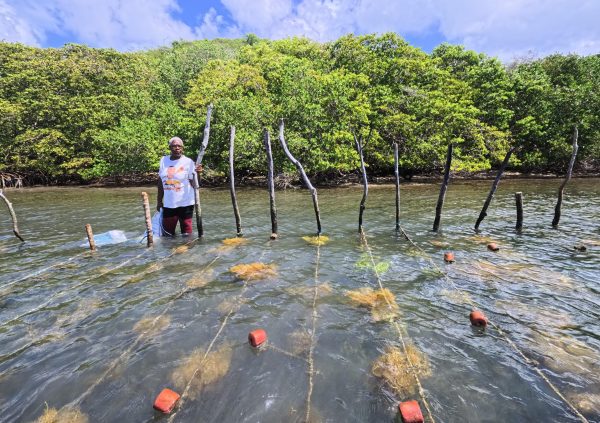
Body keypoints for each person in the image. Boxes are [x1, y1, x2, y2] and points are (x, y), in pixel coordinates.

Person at [156, 136, 202, 236]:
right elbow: (160, 182)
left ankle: (186, 251)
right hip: (169, 203)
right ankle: (170, 250)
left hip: (186, 203)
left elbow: (195, 184)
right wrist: (159, 201)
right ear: (169, 148)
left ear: (182, 148)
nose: (177, 148)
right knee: (167, 234)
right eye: (174, 146)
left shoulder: (188, 162)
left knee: (186, 234)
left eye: (179, 146)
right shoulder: (163, 160)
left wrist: (198, 173)